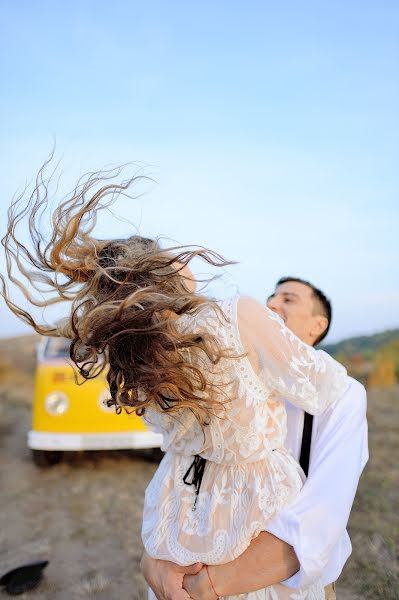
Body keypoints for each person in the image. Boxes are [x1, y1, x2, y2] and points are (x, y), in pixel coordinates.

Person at [0, 164, 349, 600]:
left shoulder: (138, 357)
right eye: (169, 257)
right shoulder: (234, 315)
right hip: (253, 518)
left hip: (179, 513)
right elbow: (330, 386)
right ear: (158, 275)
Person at [141, 278, 368, 599]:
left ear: (319, 324)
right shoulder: (228, 380)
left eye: (288, 299)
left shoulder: (344, 395)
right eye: (271, 297)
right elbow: (180, 473)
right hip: (185, 571)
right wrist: (153, 560)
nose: (273, 304)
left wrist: (209, 585)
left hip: (270, 585)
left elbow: (318, 524)